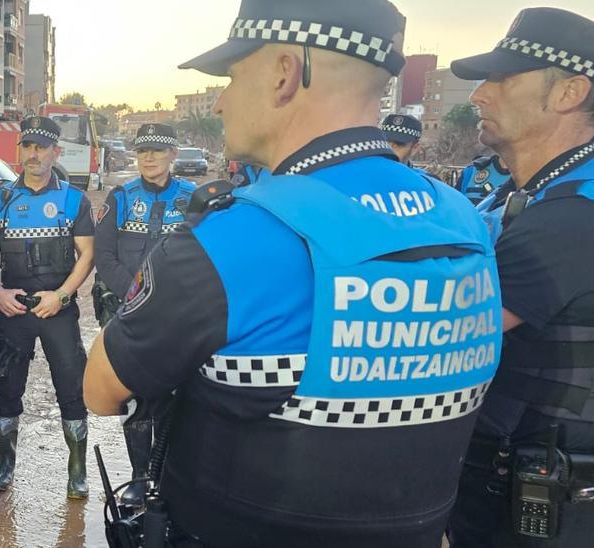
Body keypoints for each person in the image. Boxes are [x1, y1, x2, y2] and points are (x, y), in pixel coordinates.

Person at [83, 1, 502, 546]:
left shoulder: (234, 238)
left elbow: (101, 391)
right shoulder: (463, 219)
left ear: (284, 73)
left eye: (232, 77)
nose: (222, 100)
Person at [442, 8, 594, 547]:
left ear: (570, 92)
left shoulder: (573, 215)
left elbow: (439, 333)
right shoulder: (531, 196)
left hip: (540, 499)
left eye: (502, 78)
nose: (479, 95)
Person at [0, 115, 96, 499]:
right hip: (14, 310)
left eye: (41, 148)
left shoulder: (74, 200)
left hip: (58, 310)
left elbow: (87, 254)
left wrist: (61, 295)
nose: (33, 154)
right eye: (27, 146)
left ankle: (77, 469)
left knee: (71, 388)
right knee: (8, 387)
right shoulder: (1, 199)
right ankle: (5, 462)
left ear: (55, 152)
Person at [92, 123, 196, 506]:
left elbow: (207, 253)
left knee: (174, 394)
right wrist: (137, 297)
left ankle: (164, 474)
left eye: (157, 150)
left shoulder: (193, 198)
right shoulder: (121, 197)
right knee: (134, 394)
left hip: (178, 315)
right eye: (142, 151)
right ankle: (139, 477)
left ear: (173, 154)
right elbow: (104, 256)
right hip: (129, 313)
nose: (148, 158)